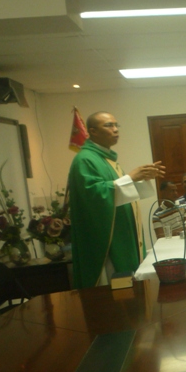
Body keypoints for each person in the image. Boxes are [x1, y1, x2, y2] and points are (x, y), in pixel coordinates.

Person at [68, 111, 165, 289]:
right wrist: (130, 178)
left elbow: (119, 190)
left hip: (122, 233)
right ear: (92, 131)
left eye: (116, 125)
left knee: (128, 286)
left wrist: (139, 179)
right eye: (108, 125)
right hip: (107, 239)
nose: (115, 129)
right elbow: (92, 195)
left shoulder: (106, 159)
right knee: (113, 287)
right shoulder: (85, 159)